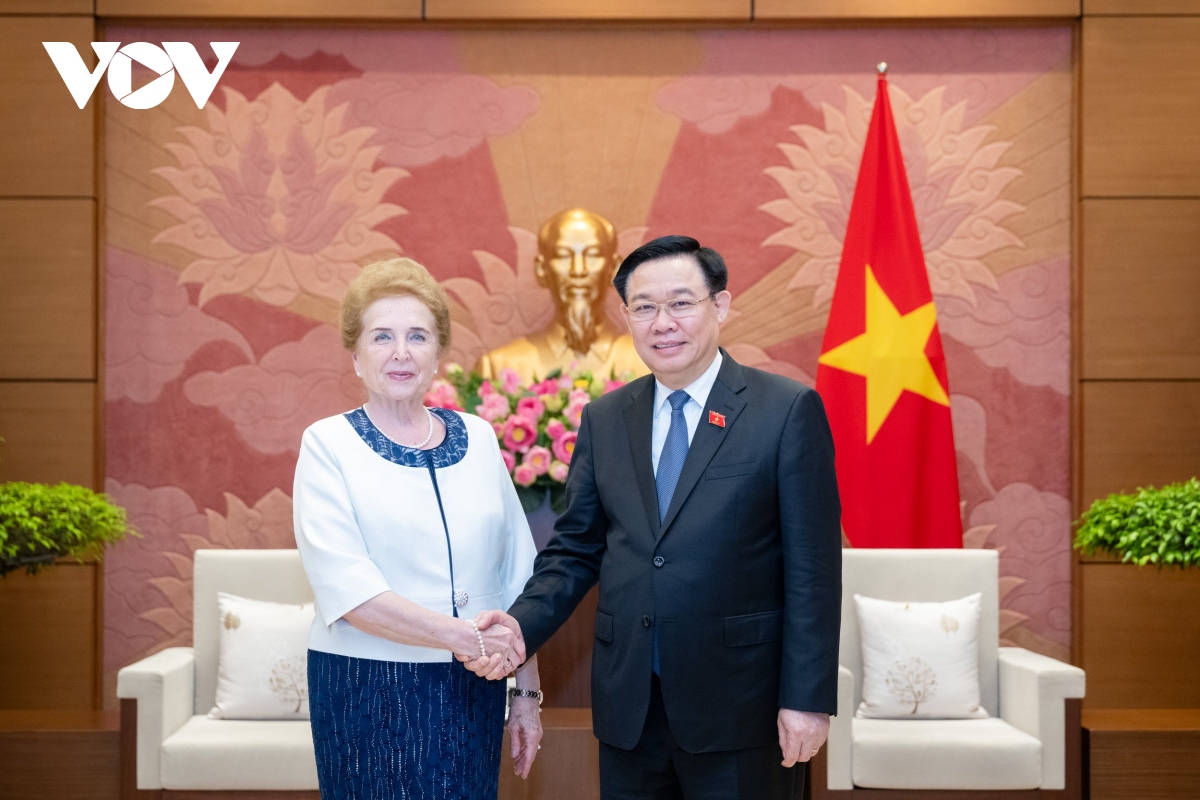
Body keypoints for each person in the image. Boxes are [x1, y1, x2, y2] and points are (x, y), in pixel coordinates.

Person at [464, 236, 842, 799]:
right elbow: (575, 551)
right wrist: (521, 626)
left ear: (720, 306)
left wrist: (807, 699)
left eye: (681, 303)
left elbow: (813, 570)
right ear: (627, 317)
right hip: (630, 708)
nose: (663, 323)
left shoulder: (784, 410)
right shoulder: (606, 418)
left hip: (742, 708)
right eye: (644, 307)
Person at [293, 257, 544, 799]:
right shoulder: (327, 444)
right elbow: (349, 592)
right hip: (367, 686)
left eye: (417, 336)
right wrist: (467, 638)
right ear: (356, 356)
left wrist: (526, 694)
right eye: (382, 336)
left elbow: (518, 577)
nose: (401, 352)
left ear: (438, 354)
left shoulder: (479, 437)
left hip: (473, 686)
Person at [477, 208, 648, 382]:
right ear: (541, 269)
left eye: (592, 255)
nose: (578, 271)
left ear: (614, 268)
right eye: (563, 255)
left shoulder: (650, 366)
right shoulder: (499, 368)